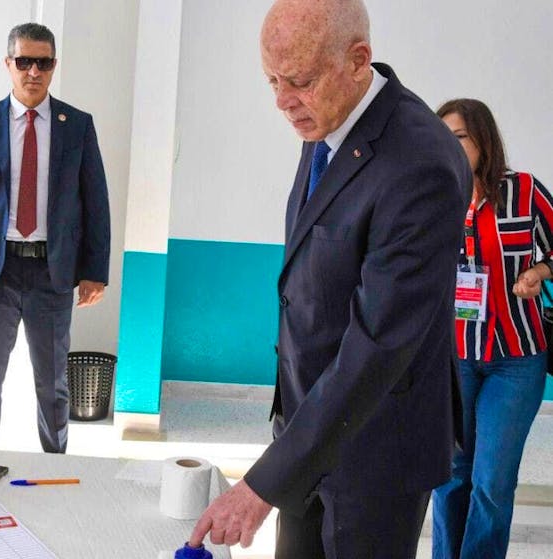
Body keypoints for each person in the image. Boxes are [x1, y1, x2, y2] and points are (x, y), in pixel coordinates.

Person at [189, 1, 471, 557]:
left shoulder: (421, 162)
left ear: (358, 60)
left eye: (298, 81)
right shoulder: (327, 120)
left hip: (377, 454)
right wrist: (289, 450)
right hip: (309, 434)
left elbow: (378, 344)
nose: (282, 100)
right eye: (272, 80)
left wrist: (263, 484)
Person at [0, 22, 111, 454]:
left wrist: (95, 271)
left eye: (43, 63)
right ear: (8, 64)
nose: (33, 72)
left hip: (52, 272)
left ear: (54, 66)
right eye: (24, 62)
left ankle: (55, 460)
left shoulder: (77, 126)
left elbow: (96, 202)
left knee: (53, 381)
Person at [431, 98, 553, 558]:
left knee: (492, 482)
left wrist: (539, 271)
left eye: (459, 136)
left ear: (483, 140)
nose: (449, 145)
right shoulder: (431, 195)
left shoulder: (524, 191)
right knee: (449, 475)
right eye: (442, 136)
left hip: (516, 360)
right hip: (454, 356)